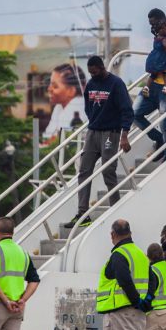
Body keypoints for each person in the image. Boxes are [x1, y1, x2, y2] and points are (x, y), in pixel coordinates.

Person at [64, 56, 133, 229]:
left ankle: (116, 209)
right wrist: (95, 120)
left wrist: (124, 135)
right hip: (93, 132)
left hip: (111, 132)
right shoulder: (91, 84)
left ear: (102, 68)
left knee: (108, 171)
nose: (93, 75)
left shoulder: (116, 84)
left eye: (95, 72)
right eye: (90, 73)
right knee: (84, 170)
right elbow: (88, 106)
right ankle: (82, 213)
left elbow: (127, 110)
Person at [93, 219, 152, 330]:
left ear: (113, 235)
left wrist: (134, 300)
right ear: (130, 233)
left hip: (120, 311)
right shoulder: (141, 255)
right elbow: (153, 279)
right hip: (139, 313)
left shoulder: (118, 254)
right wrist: (145, 301)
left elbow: (124, 279)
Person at [132, 9, 166, 162]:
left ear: (162, 20)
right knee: (134, 114)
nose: (152, 27)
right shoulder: (158, 35)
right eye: (150, 24)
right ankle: (159, 139)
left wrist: (160, 66)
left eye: (154, 23)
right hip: (154, 83)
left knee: (165, 122)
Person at [43, 63, 87, 140]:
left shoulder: (78, 109)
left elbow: (61, 141)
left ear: (71, 91)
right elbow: (48, 136)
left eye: (55, 86)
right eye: (50, 84)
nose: (49, 89)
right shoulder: (59, 107)